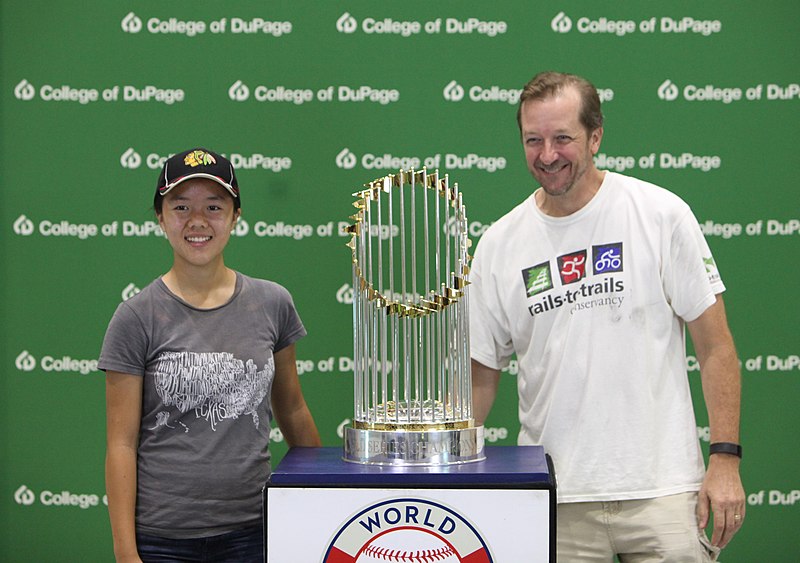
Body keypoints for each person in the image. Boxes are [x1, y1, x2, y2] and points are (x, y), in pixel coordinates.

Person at [469, 72, 745, 561]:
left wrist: (725, 459)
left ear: (596, 136)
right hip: (556, 496)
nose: (547, 155)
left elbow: (716, 346)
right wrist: (444, 476)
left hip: (663, 491)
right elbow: (481, 377)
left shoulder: (660, 214)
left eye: (562, 139)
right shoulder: (498, 244)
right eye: (533, 140)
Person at [100, 148, 321, 562]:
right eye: (180, 207)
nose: (197, 221)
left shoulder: (273, 303)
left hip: (254, 532)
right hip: (162, 539)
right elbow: (121, 444)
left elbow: (293, 411)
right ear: (160, 218)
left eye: (214, 207)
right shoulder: (135, 316)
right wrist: (126, 553)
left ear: (236, 216)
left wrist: (322, 504)